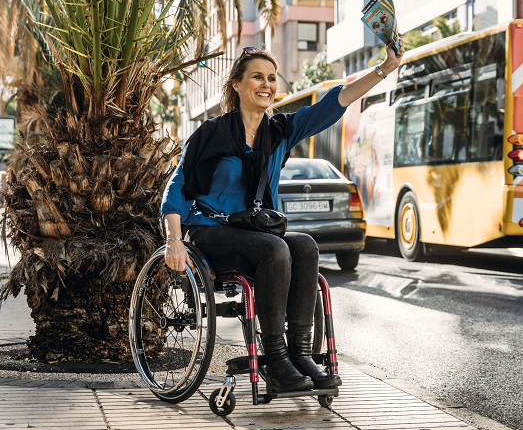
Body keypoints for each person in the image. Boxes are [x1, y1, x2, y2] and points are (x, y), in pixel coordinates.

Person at [161, 44, 405, 394]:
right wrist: (174, 238)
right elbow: (179, 183)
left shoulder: (280, 131)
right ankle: (275, 360)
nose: (266, 84)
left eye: (272, 78)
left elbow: (334, 103)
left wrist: (385, 67)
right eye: (257, 77)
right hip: (211, 232)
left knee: (304, 245)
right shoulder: (211, 133)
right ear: (237, 85)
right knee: (275, 249)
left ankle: (301, 354)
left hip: (256, 231)